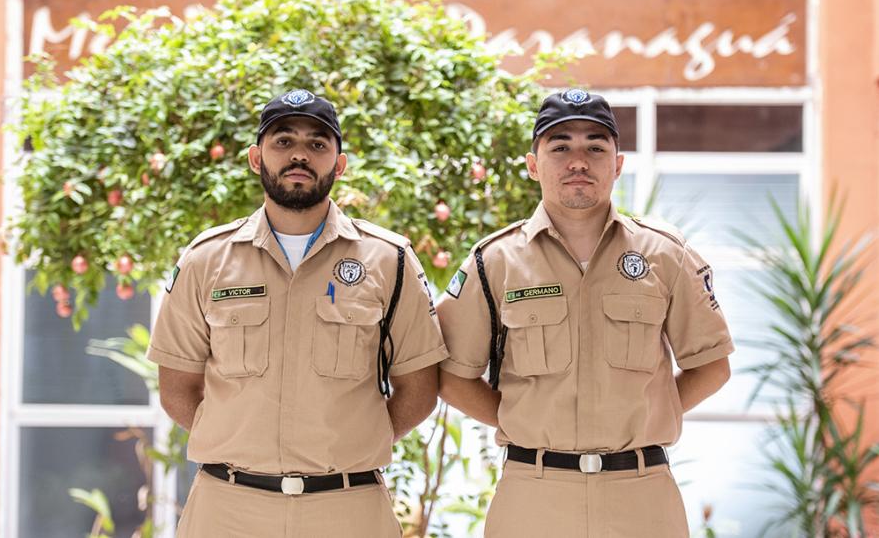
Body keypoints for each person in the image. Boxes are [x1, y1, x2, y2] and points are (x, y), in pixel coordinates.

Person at [147, 89, 447, 537]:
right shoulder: (205, 259)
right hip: (228, 508)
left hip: (348, 508)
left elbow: (419, 387)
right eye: (283, 142)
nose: (300, 155)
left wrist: (353, 440)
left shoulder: (390, 259)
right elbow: (177, 385)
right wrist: (240, 439)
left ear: (339, 164)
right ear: (256, 158)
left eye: (318, 144)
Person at [436, 89, 733, 537]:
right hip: (533, 495)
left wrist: (643, 411)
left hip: (642, 494)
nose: (578, 160)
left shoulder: (665, 254)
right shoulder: (493, 261)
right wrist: (526, 416)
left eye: (595, 146)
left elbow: (711, 366)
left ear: (617, 164)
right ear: (533, 164)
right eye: (560, 147)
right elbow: (454, 377)